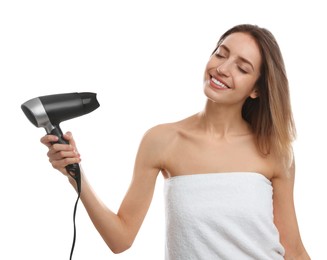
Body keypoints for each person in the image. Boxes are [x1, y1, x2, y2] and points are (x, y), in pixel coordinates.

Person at [41, 24, 310, 259]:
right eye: (220, 54)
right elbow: (120, 240)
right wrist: (76, 176)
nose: (223, 69)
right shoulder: (162, 140)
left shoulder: (274, 151)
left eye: (241, 68)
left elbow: (294, 250)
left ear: (256, 89)